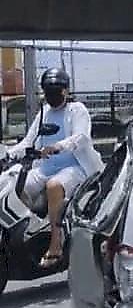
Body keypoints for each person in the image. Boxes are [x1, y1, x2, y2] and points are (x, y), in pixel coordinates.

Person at [7, 69, 103, 268]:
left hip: (75, 167)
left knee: (53, 186)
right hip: (45, 167)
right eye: (47, 91)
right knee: (16, 184)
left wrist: (58, 146)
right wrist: (9, 153)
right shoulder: (44, 112)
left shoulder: (77, 110)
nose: (51, 95)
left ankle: (55, 241)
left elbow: (82, 137)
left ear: (65, 91)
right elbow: (29, 140)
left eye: (55, 90)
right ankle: (30, 231)